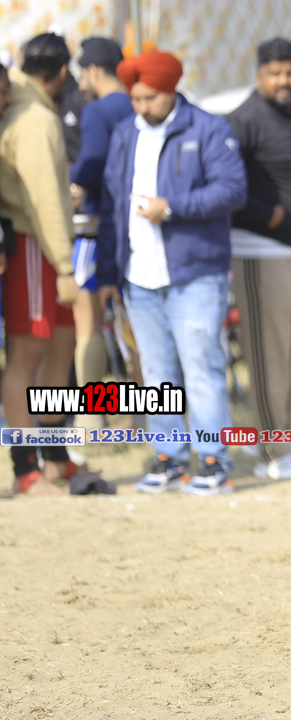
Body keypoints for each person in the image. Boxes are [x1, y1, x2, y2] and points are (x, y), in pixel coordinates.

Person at [98, 50, 247, 494]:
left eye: (150, 98)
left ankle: (213, 460)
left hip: (195, 273)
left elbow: (232, 190)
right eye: (136, 98)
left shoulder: (208, 128)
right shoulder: (125, 133)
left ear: (171, 90)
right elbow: (111, 205)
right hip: (138, 276)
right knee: (157, 372)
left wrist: (172, 208)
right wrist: (109, 273)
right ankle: (169, 458)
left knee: (201, 366)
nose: (142, 107)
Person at [225, 38, 291, 481]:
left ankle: (272, 433)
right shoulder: (243, 121)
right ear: (259, 76)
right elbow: (226, 185)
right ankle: (274, 451)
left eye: (290, 72)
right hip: (259, 255)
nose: (284, 80)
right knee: (269, 357)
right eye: (275, 73)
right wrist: (271, 215)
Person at [0, 35, 82, 495]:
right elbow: (44, 199)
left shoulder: (27, 109)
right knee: (26, 357)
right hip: (36, 247)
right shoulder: (33, 119)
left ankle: (54, 457)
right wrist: (66, 266)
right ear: (63, 72)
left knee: (61, 349)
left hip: (46, 247)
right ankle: (26, 467)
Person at [70, 37, 135, 426]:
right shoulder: (138, 103)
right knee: (137, 327)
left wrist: (73, 178)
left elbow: (92, 162)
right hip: (137, 227)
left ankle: (91, 418)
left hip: (98, 227)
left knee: (89, 325)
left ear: (94, 71)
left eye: (83, 74)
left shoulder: (98, 110)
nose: (80, 84)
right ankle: (144, 419)